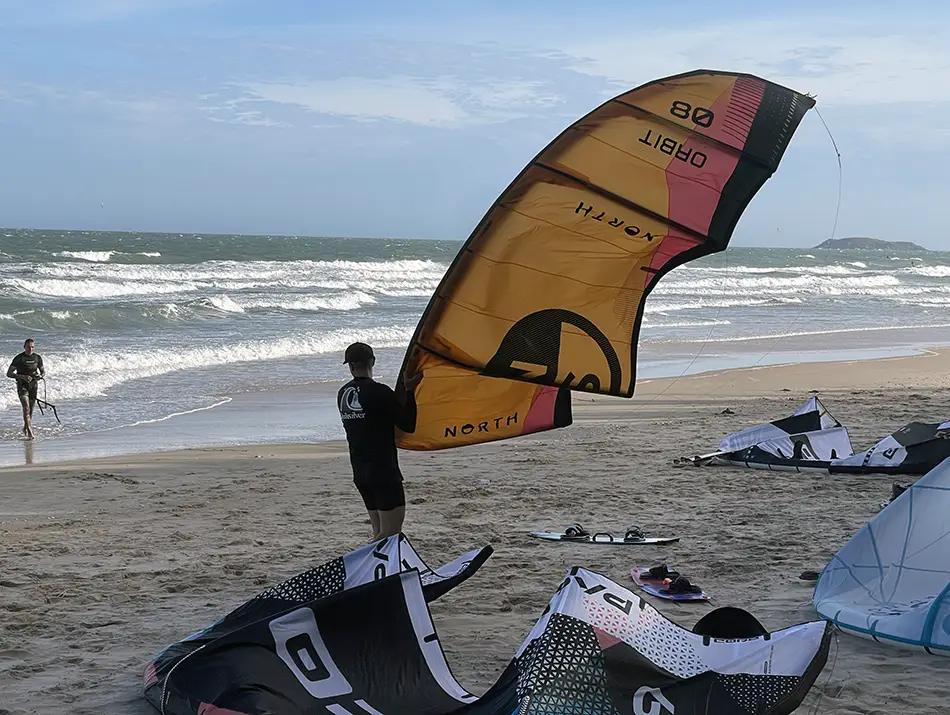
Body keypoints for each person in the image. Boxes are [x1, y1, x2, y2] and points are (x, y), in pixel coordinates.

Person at [337, 342, 422, 541]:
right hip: (383, 472)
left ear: (349, 366)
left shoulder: (342, 394)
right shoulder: (380, 392)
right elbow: (408, 425)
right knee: (390, 534)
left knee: (379, 532)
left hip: (360, 472)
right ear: (372, 362)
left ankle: (379, 569)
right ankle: (360, 564)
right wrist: (409, 391)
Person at [7, 338, 45, 439]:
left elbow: (43, 372)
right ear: (24, 347)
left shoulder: (37, 358)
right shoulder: (19, 358)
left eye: (32, 347)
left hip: (33, 386)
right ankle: (29, 429)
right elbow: (9, 374)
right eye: (28, 347)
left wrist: (40, 376)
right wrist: (22, 377)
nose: (30, 349)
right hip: (22, 386)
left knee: (31, 409)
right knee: (26, 408)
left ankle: (26, 425)